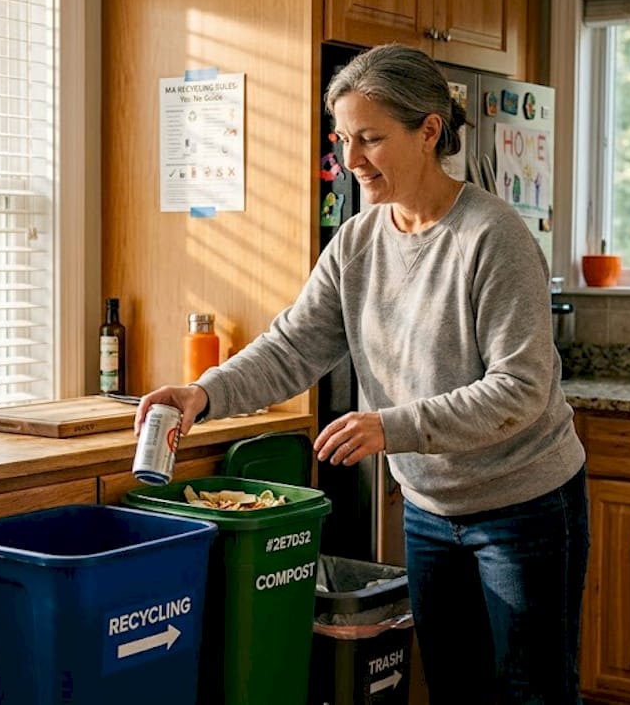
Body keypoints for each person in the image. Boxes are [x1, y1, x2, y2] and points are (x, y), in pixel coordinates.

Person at [134, 43, 589, 705]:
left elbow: (519, 390)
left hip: (525, 508)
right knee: (455, 688)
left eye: (370, 138)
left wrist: (391, 426)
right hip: (431, 510)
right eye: (344, 138)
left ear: (429, 131)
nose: (350, 160)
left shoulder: (494, 237)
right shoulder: (355, 242)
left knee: (533, 693)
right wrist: (204, 394)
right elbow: (292, 347)